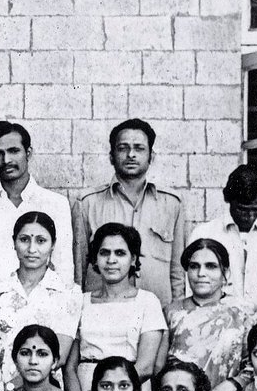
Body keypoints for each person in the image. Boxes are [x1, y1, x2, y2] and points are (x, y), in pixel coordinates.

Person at [72, 119, 188, 305]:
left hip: (158, 314)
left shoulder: (172, 203)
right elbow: (78, 271)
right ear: (111, 156)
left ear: (152, 156)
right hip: (103, 314)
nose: (131, 155)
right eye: (123, 148)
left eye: (139, 148)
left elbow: (178, 271)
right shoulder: (88, 203)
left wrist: (176, 312)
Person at [0, 121, 74, 288]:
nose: (6, 160)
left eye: (14, 151)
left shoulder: (55, 204)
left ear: (28, 153)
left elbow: (64, 268)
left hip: (43, 307)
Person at [0, 211, 82, 391]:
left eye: (41, 241)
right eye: (24, 239)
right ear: (14, 243)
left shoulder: (68, 293)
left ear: (53, 245)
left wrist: (13, 388)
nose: (32, 249)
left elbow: (61, 355)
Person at [64, 223, 167, 391]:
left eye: (120, 253)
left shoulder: (148, 301)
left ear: (133, 259)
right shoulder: (80, 302)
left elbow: (146, 366)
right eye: (104, 253)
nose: (111, 260)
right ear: (95, 259)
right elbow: (69, 367)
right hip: (85, 390)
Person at [190, 165, 257, 313]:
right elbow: (191, 293)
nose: (251, 216)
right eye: (243, 209)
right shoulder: (204, 234)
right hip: (217, 329)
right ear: (229, 200)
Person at [165, 238, 257, 391]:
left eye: (211, 266)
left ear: (225, 273)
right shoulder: (172, 312)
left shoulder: (247, 313)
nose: (201, 273)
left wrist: (234, 383)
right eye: (194, 266)